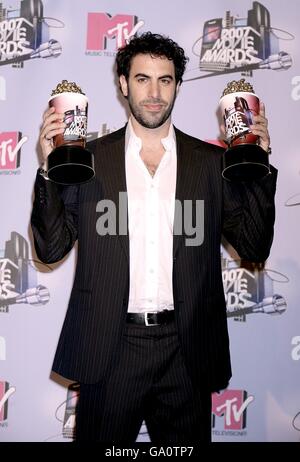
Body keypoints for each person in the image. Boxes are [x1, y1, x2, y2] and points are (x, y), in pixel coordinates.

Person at [31, 32, 277, 443]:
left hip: (186, 350)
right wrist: (48, 171)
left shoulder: (213, 163)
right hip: (111, 347)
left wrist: (260, 167)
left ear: (178, 86)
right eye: (143, 79)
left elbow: (254, 247)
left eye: (165, 80)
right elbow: (50, 248)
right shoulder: (88, 160)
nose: (154, 93)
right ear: (124, 84)